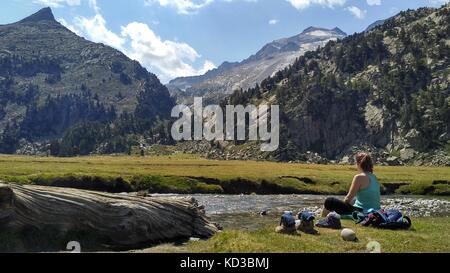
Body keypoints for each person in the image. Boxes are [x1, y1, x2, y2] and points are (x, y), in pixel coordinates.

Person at [322, 153, 381, 217]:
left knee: (329, 201)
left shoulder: (359, 177)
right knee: (354, 200)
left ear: (358, 164)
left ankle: (323, 220)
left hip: (362, 212)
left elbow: (348, 199)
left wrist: (341, 207)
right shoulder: (374, 177)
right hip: (376, 211)